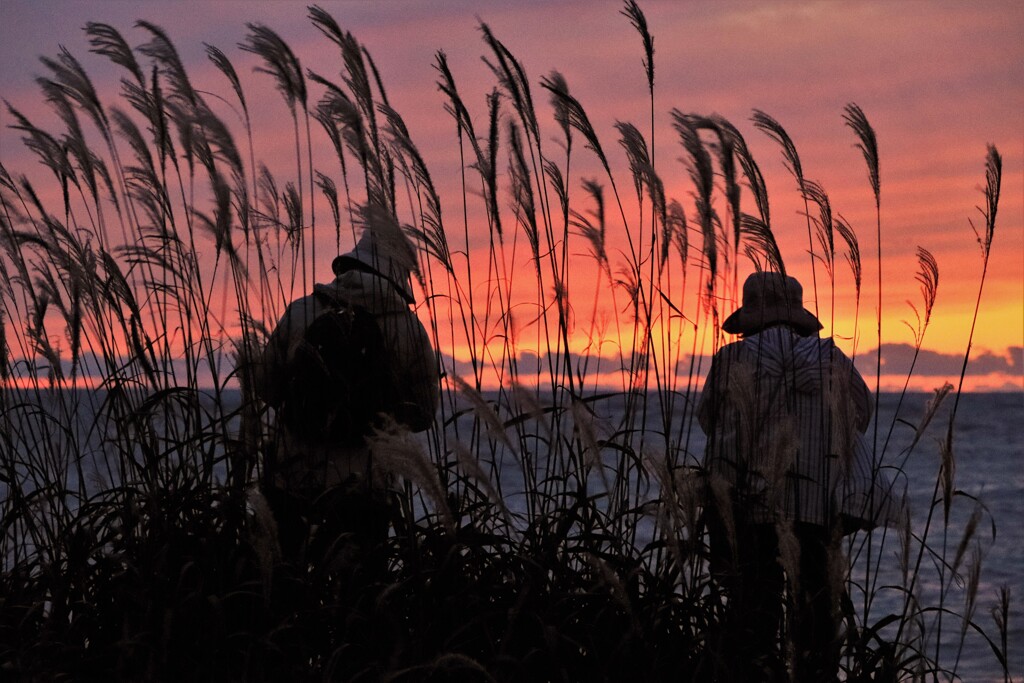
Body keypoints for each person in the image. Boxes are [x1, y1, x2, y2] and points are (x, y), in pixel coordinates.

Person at [697, 271, 877, 682]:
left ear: (751, 317)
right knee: (816, 613)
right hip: (819, 508)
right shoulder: (831, 357)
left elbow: (708, 420)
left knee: (753, 613)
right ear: (797, 315)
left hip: (747, 504)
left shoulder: (732, 358)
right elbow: (862, 415)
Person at [255, 228, 438, 566]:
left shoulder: (300, 312)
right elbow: (425, 415)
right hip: (367, 490)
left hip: (292, 479)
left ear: (351, 263)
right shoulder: (410, 329)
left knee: (286, 584)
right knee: (360, 596)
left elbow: (264, 387)